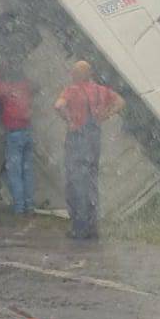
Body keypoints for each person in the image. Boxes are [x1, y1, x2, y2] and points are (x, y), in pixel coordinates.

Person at [54, 59, 124, 241]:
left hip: (77, 139)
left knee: (75, 184)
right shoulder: (101, 90)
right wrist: (106, 115)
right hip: (94, 140)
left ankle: (79, 228)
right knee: (91, 182)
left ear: (77, 75)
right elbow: (120, 102)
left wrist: (69, 120)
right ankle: (93, 227)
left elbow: (58, 105)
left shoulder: (71, 90)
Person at [0, 71, 35, 216]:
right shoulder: (24, 87)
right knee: (27, 172)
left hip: (14, 134)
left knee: (15, 173)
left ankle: (19, 208)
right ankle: (30, 206)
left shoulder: (6, 90)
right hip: (28, 133)